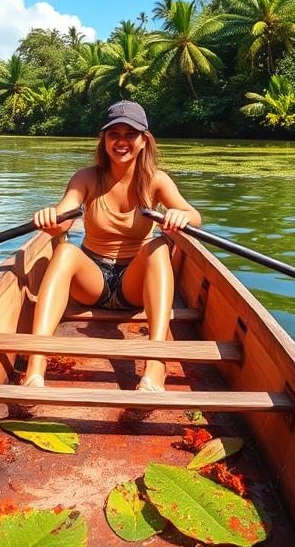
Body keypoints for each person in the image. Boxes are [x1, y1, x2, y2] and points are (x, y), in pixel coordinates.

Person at [24, 100, 201, 392]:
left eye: (130, 134)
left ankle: (155, 367)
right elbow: (64, 218)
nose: (121, 141)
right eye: (113, 134)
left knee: (158, 246)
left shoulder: (156, 180)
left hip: (135, 286)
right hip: (92, 283)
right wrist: (50, 219)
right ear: (103, 139)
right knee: (66, 250)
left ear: (144, 140)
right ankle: (35, 369)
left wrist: (180, 216)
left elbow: (195, 217)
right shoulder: (87, 177)